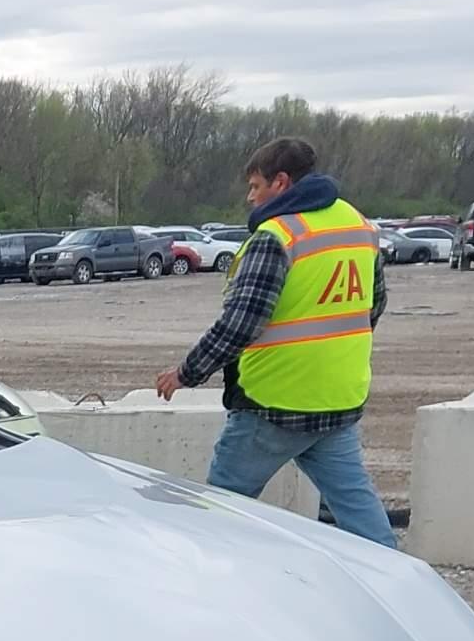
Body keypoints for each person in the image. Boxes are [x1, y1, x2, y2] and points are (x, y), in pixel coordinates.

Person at [154, 136, 395, 547]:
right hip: (337, 401)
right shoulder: (358, 225)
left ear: (280, 182)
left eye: (255, 186)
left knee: (221, 512)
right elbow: (374, 306)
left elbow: (240, 324)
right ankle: (394, 578)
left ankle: (213, 578)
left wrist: (185, 374)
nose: (250, 197)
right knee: (362, 516)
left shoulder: (277, 236)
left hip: (273, 404)